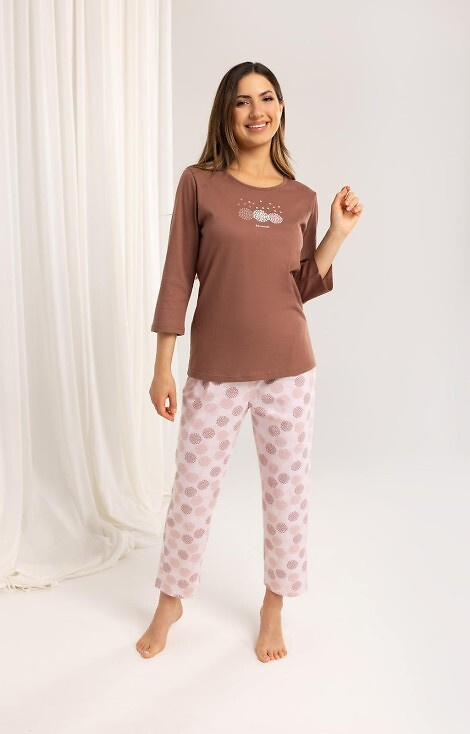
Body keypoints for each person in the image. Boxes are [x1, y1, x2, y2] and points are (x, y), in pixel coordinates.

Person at [136, 61, 363, 662]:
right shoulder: (199, 184)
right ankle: (170, 600)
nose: (256, 110)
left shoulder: (301, 198)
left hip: (290, 370)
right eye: (243, 101)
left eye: (267, 98)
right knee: (192, 492)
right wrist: (162, 366)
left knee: (287, 499)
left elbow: (300, 286)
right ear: (226, 112)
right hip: (215, 371)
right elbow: (177, 276)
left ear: (281, 109)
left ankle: (274, 605)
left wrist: (337, 232)